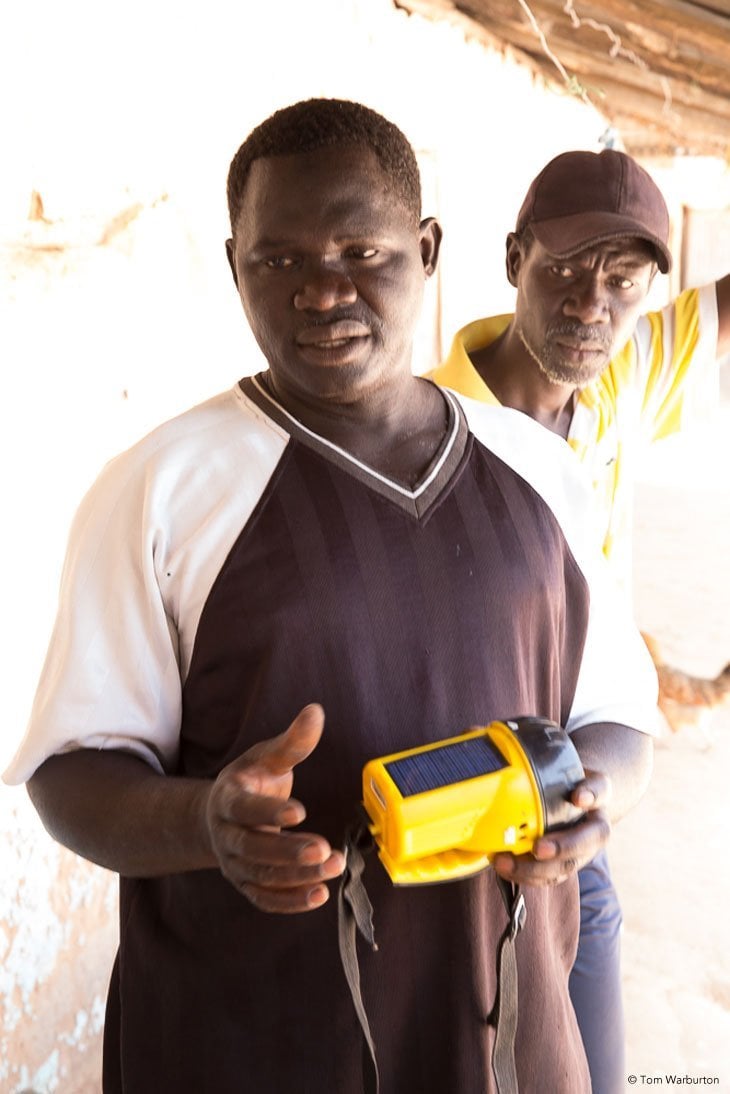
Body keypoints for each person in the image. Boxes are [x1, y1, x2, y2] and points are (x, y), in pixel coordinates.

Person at [4, 101, 657, 1094]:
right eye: (278, 259)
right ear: (235, 267)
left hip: (495, 1024)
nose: (321, 290)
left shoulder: (537, 473)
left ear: (426, 250)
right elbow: (69, 773)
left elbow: (612, 720)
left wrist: (583, 798)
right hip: (246, 1038)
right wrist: (203, 823)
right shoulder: (165, 487)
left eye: (363, 249)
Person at [429, 147, 730, 1094]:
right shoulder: (430, 430)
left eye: (624, 279)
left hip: (574, 801)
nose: (591, 303)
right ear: (514, 257)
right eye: (563, 268)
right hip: (455, 807)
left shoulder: (616, 385)